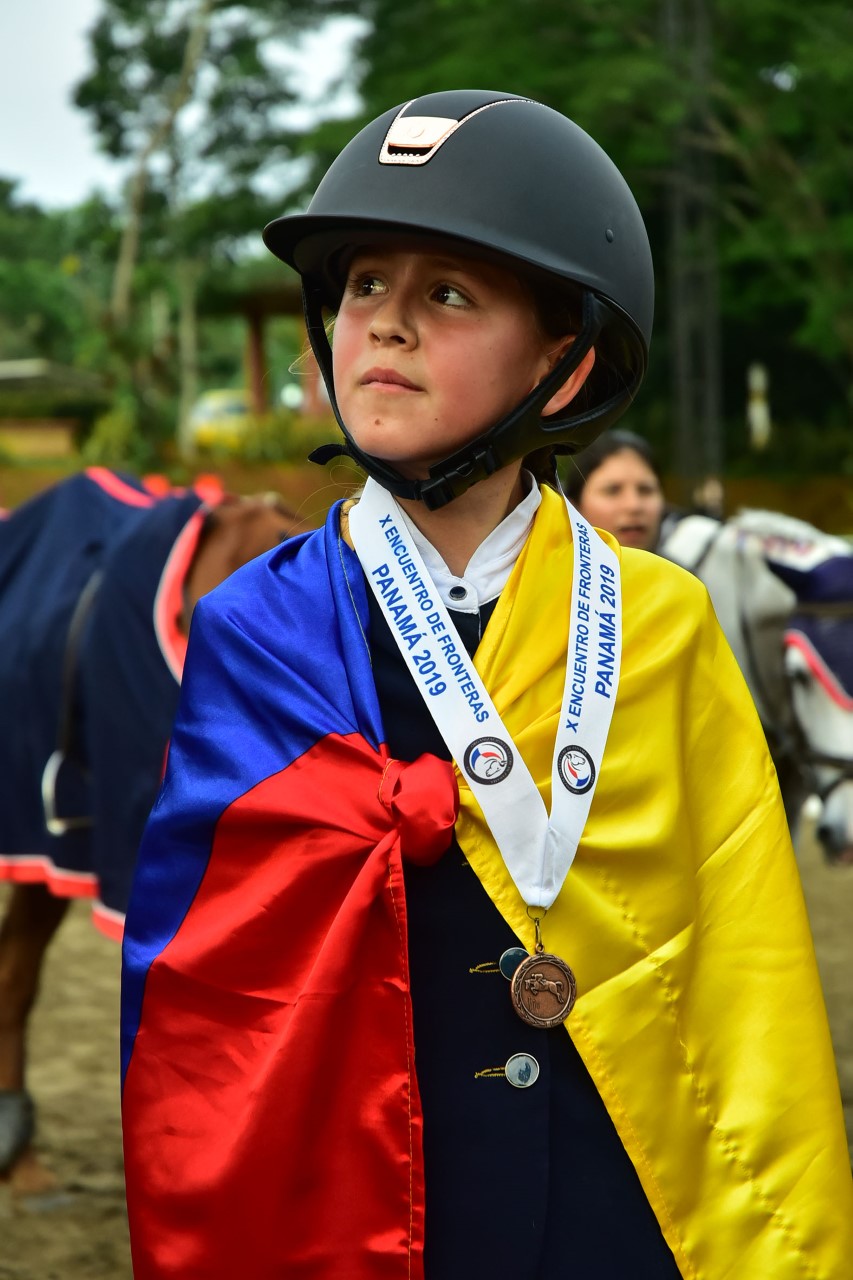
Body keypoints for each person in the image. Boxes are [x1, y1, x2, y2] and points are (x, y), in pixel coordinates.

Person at [120, 90, 853, 1279]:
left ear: (565, 362)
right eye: (364, 284)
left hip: (622, 1202)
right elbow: (210, 990)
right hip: (382, 1200)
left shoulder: (660, 621)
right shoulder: (254, 628)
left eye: (448, 293)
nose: (385, 323)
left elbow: (741, 965)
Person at [564, 428, 666, 550]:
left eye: (645, 490)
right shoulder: (551, 562)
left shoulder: (679, 563)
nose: (634, 505)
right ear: (574, 505)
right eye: (612, 491)